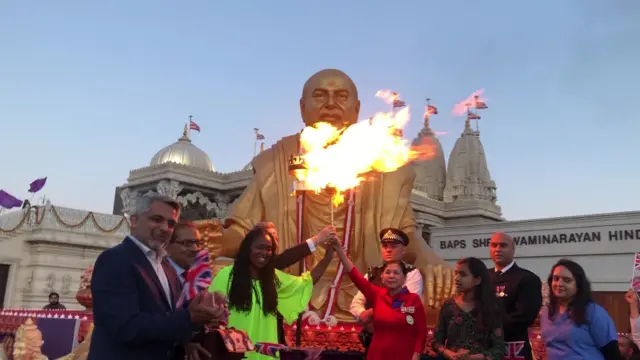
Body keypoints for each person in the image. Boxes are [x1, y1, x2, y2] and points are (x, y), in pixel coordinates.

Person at [198, 68, 453, 321]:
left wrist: (427, 257)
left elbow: (404, 235)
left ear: (357, 108)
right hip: (285, 283)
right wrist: (217, 240)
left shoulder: (384, 164)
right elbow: (243, 231)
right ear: (302, 107)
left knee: (437, 292)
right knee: (217, 272)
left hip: (362, 287)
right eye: (320, 95)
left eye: (341, 96)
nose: (331, 104)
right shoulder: (275, 162)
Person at [89, 195, 225, 360]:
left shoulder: (165, 265)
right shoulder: (115, 260)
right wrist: (189, 317)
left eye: (171, 224)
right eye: (157, 219)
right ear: (134, 221)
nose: (165, 228)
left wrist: (203, 307)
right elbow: (125, 327)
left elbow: (169, 315)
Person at [210, 227, 335, 360]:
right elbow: (210, 314)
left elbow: (307, 282)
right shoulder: (227, 276)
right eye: (260, 247)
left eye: (269, 249)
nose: (265, 252)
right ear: (248, 249)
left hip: (266, 356)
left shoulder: (274, 279)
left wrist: (328, 257)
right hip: (235, 355)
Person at [332, 236, 426, 360]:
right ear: (382, 277)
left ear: (404, 278)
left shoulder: (413, 300)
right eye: (388, 272)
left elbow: (421, 331)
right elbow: (355, 275)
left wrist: (417, 354)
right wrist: (339, 250)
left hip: (404, 355)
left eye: (396, 273)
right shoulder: (378, 295)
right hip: (377, 354)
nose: (391, 276)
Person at [349, 228, 423, 350]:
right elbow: (356, 303)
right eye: (385, 246)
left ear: (403, 250)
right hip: (372, 338)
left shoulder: (412, 273)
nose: (388, 250)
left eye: (393, 246)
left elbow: (407, 305)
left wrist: (372, 312)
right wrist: (362, 315)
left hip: (399, 338)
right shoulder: (372, 272)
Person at [540, 259, 621, 360]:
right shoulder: (546, 312)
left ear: (578, 285)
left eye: (567, 280)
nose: (559, 284)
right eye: (556, 278)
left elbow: (612, 352)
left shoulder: (593, 312)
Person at [433, 257, 505, 360]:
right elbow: (436, 342)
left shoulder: (491, 308)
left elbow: (499, 349)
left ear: (477, 280)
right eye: (456, 273)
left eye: (463, 274)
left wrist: (472, 357)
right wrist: (449, 353)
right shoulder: (448, 306)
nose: (457, 278)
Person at [487, 232, 542, 360]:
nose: (498, 249)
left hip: (513, 349)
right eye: (494, 245)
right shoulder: (482, 278)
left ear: (513, 249)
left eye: (503, 245)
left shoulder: (528, 279)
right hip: (484, 349)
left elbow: (523, 318)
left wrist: (488, 329)